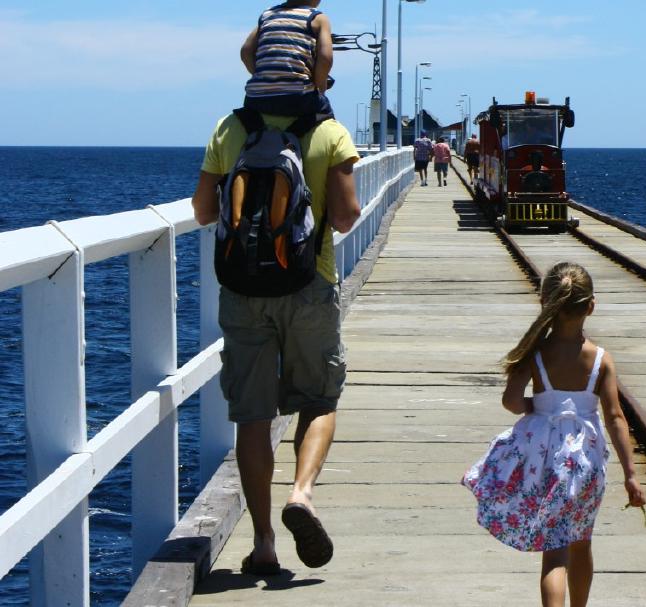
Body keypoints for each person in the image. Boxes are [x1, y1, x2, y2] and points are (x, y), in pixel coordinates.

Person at [191, 109, 360, 575]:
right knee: (319, 399)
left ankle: (263, 541)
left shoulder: (229, 129)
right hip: (309, 284)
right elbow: (346, 217)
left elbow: (203, 211)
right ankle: (301, 494)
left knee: (253, 416)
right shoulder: (329, 132)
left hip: (244, 289)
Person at [462, 262, 646, 607]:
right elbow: (615, 417)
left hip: (546, 462)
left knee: (555, 554)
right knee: (582, 542)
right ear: (590, 307)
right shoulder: (601, 360)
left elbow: (511, 401)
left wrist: (536, 405)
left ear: (544, 302)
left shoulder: (534, 353)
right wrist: (631, 474)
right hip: (586, 464)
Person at [240, 1, 334, 118]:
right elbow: (325, 60)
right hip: (299, 97)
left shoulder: (267, 15)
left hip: (256, 98)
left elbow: (245, 52)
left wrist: (262, 76)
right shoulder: (318, 19)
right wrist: (320, 86)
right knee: (325, 116)